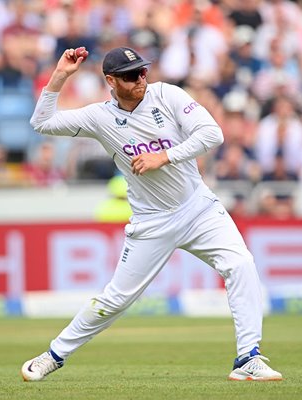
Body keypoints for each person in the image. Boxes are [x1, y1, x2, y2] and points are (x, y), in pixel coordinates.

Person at [21, 46, 282, 382]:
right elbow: (41, 123)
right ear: (111, 81)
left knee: (241, 264)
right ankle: (53, 355)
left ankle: (248, 357)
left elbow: (212, 133)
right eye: (131, 76)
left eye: (143, 71)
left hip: (198, 207)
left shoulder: (167, 95)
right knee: (115, 300)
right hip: (151, 222)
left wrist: (166, 156)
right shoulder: (100, 117)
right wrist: (60, 76)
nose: (141, 79)